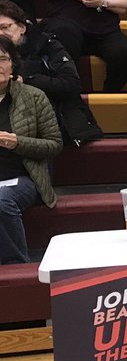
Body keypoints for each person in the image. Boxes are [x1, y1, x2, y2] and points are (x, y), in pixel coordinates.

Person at [0, 34, 62, 264]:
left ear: (13, 65)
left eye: (3, 59)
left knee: (1, 200)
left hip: (23, 177)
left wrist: (17, 142)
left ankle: (15, 269)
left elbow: (54, 144)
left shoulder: (33, 97)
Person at [0, 0, 94, 144]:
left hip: (49, 119)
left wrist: (26, 81)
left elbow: (71, 84)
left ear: (22, 27)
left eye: (5, 27)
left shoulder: (47, 45)